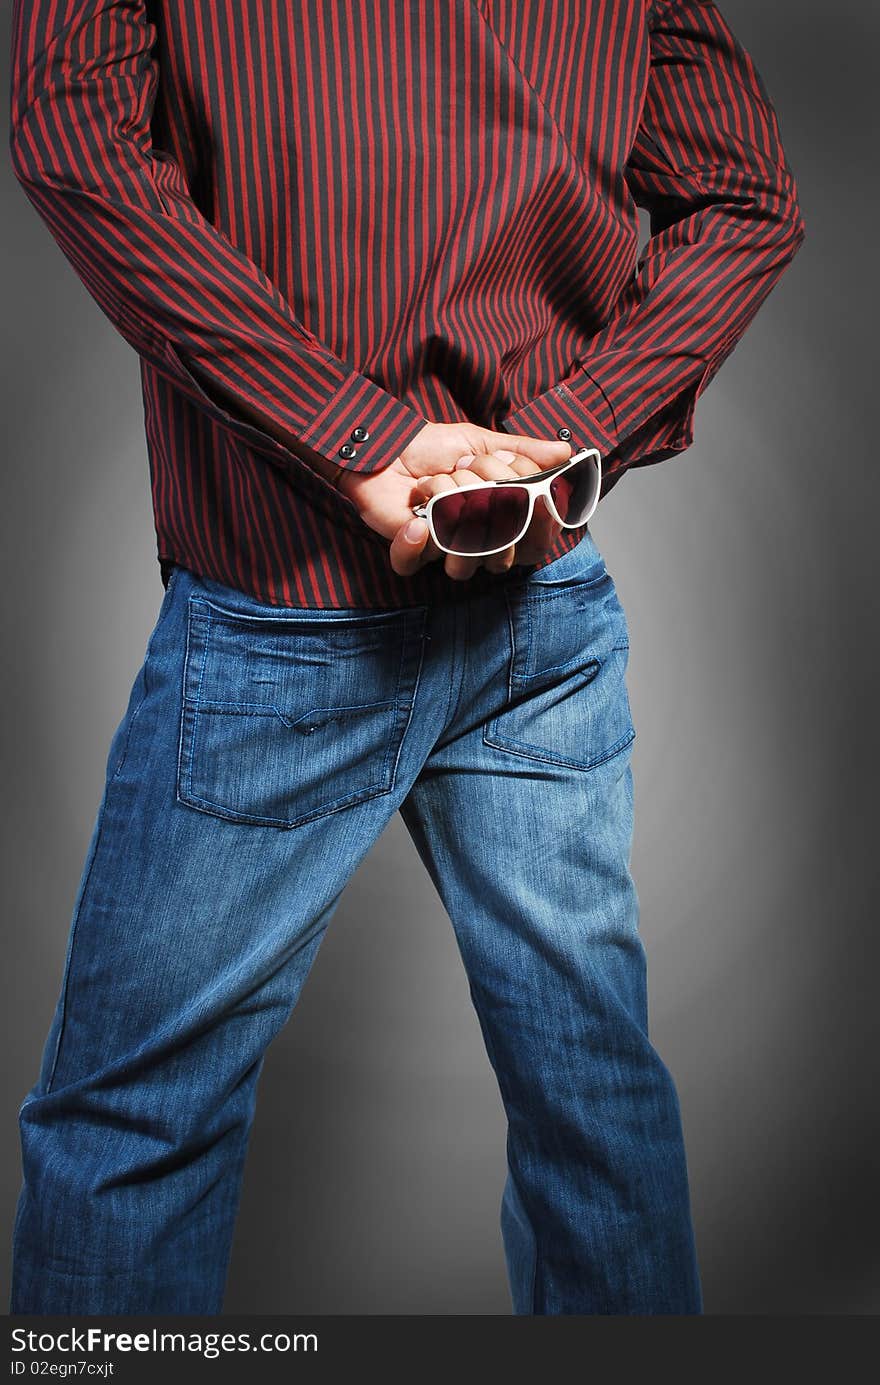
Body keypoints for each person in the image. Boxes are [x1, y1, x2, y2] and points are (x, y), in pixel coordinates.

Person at [8, 0, 804, 1315]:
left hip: (292, 590)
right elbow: (747, 195)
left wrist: (360, 437)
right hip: (536, 597)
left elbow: (72, 135)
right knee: (593, 1115)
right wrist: (558, 440)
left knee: (132, 1130)